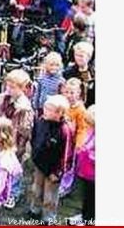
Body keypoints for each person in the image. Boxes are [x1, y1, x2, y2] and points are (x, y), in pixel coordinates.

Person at [28, 95, 74, 225]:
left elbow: (66, 154)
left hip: (53, 169)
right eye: (45, 107)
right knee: (36, 189)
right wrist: (34, 155)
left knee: (50, 195)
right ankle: (34, 209)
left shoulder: (65, 130)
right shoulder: (41, 120)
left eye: (49, 109)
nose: (44, 110)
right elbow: (34, 137)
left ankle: (48, 217)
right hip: (39, 164)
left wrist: (59, 172)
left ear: (59, 113)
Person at [0, 69, 35, 209]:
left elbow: (26, 129)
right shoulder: (4, 98)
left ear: (22, 88)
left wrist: (14, 125)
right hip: (2, 137)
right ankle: (1, 188)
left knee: (15, 168)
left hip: (16, 142)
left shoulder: (25, 107)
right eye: (7, 86)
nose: (8, 89)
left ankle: (14, 193)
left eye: (12, 87)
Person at [69, 105, 95, 226]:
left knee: (92, 198)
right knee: (85, 197)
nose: (87, 125)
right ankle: (85, 215)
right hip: (85, 171)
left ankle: (89, 220)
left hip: (93, 175)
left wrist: (85, 151)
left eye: (89, 123)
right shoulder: (91, 130)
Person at [32, 52, 65, 116]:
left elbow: (61, 95)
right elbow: (38, 93)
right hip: (41, 107)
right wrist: (35, 105)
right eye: (51, 65)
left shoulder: (61, 81)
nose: (54, 67)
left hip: (54, 108)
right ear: (46, 65)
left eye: (57, 65)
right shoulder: (41, 78)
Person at [63, 41, 95, 107]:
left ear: (88, 57)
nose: (78, 58)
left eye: (81, 56)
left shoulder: (93, 72)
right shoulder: (68, 72)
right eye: (76, 55)